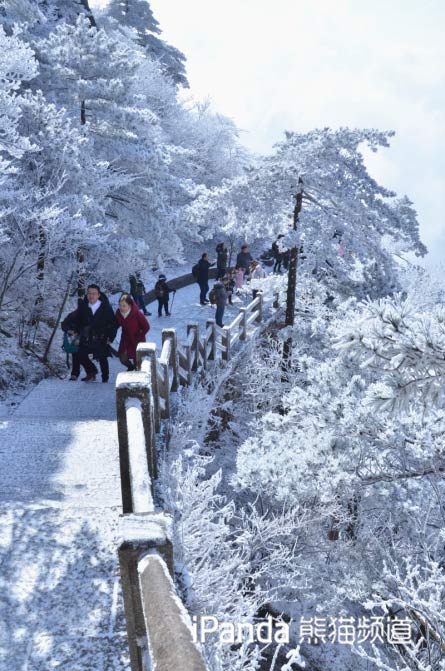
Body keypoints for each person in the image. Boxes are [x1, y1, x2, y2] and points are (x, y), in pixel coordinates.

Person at [71, 284, 117, 383]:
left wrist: (111, 338)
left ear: (98, 295)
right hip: (86, 336)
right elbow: (78, 321)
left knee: (102, 357)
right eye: (89, 293)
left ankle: (105, 379)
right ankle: (91, 371)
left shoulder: (106, 308)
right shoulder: (83, 307)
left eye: (94, 293)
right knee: (79, 353)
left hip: (101, 336)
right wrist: (76, 331)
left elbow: (113, 324)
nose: (91, 296)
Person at [115, 293, 150, 371]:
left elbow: (146, 327)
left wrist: (139, 336)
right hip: (126, 339)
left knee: (137, 360)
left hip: (137, 339)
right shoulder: (118, 314)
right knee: (122, 358)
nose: (121, 308)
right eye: (120, 305)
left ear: (129, 305)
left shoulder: (137, 314)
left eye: (124, 305)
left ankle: (138, 373)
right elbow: (115, 325)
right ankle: (130, 367)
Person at [61, 307, 81, 380]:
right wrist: (69, 330)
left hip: (84, 339)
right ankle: (74, 374)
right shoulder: (72, 315)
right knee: (75, 355)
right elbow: (63, 325)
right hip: (73, 339)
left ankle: (91, 372)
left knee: (83, 356)